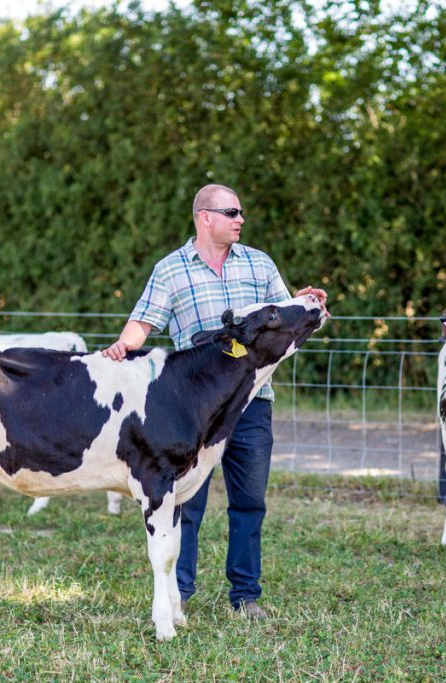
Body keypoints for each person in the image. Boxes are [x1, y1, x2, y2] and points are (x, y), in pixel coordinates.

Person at [102, 183, 328, 621]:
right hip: (193, 412)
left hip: (252, 404)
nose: (240, 218)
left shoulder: (259, 264)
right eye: (232, 212)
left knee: (249, 503)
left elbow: (285, 314)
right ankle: (178, 592)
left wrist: (310, 305)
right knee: (185, 502)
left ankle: (245, 596)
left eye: (241, 212)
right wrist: (120, 348)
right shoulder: (170, 270)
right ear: (205, 217)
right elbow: (143, 324)